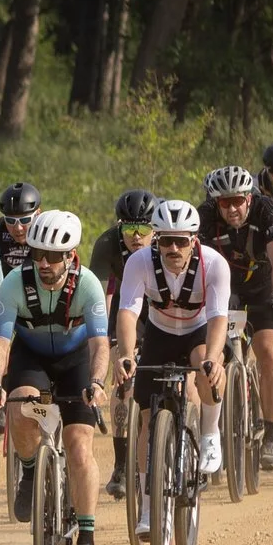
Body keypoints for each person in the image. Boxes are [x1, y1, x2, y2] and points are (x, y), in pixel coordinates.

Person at [0, 210, 111, 545]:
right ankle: (30, 470)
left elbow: (99, 344)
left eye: (53, 256)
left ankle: (87, 538)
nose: (43, 263)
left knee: (79, 446)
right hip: (33, 360)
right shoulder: (14, 283)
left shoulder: (88, 285)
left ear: (70, 256)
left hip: (76, 363)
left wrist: (97, 382)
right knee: (23, 409)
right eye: (37, 254)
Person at [113, 198, 233, 529]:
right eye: (166, 240)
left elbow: (218, 318)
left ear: (194, 240)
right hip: (160, 334)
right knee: (147, 422)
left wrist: (213, 359)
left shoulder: (214, 264)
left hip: (198, 333)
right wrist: (126, 354)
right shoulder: (139, 262)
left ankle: (210, 433)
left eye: (181, 241)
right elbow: (128, 312)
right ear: (156, 239)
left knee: (206, 369)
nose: (173, 248)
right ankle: (148, 509)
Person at [200, 163, 273, 472]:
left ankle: (271, 437)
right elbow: (196, 263)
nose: (232, 209)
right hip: (224, 291)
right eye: (224, 202)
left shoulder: (267, 210)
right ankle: (213, 430)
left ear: (249, 198)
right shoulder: (205, 216)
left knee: (269, 351)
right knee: (212, 356)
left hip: (264, 288)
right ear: (216, 202)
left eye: (238, 201)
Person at [95, 189, 158, 497]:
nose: (136, 235)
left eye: (143, 228)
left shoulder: (167, 243)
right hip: (125, 307)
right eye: (129, 227)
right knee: (123, 380)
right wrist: (100, 337)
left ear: (154, 228)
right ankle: (121, 464)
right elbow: (98, 296)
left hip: (160, 307)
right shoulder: (107, 243)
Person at [0, 181, 42, 275]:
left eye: (25, 220)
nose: (18, 228)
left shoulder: (48, 231)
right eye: (10, 221)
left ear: (38, 214)